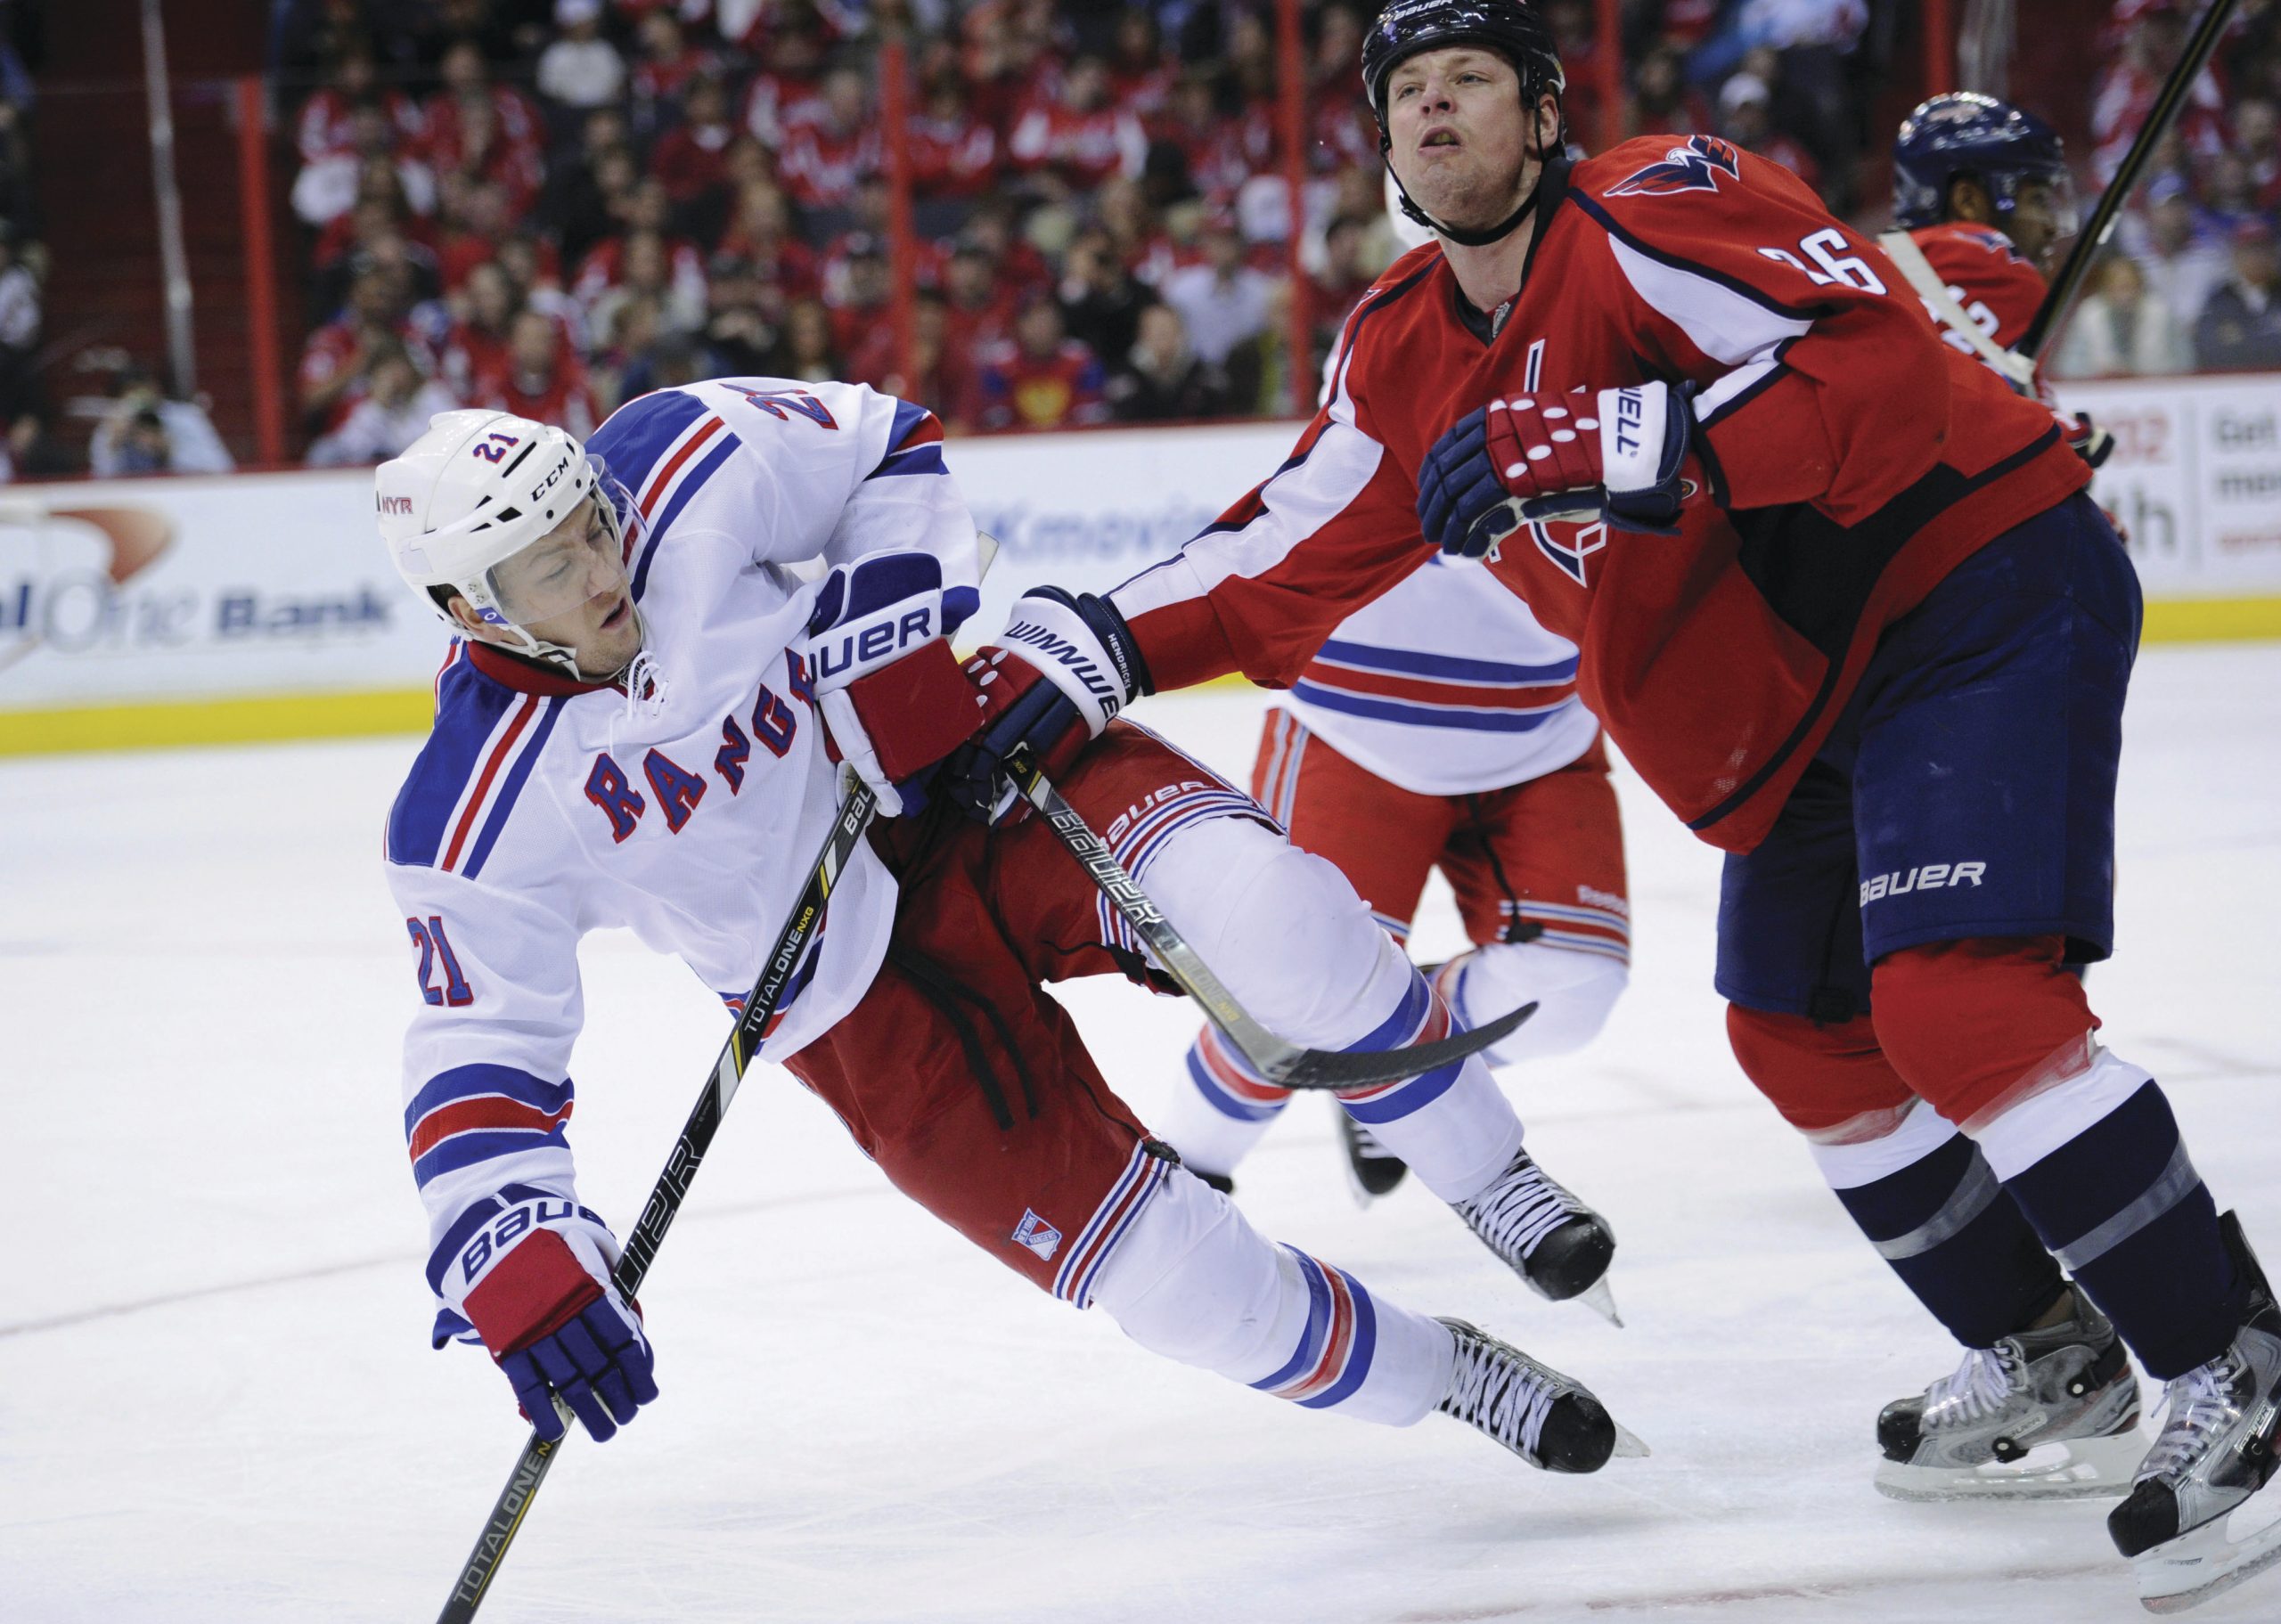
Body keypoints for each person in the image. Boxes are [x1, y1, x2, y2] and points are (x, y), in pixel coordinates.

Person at [944, 3, 2281, 1611]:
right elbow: (1280, 554)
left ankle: (2232, 1357)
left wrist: (1627, 431)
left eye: (1473, 85)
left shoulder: (1657, 201)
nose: (1438, 114)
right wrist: (1101, 641)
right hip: (1797, 704)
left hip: (1958, 596)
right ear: (1383, 145)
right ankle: (2044, 1346)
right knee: (1801, 1035)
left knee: (1960, 1003)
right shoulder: (1399, 348)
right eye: (1410, 96)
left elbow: (1874, 377)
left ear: (1546, 115)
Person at [373, 383, 1639, 1490]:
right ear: (469, 604)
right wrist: (511, 1240)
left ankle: (1491, 1174)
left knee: (1286, 922)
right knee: (1178, 1286)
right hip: (848, 1000)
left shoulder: (680, 453)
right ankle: (1452, 1373)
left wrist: (883, 614)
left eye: (590, 521)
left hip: (964, 779)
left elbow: (884, 446)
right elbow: (480, 1052)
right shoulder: (473, 808)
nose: (602, 566)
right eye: (551, 567)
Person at [1883, 93, 2113, 464]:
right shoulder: (1983, 260)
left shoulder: (1874, 261)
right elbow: (2025, 441)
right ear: (1969, 200)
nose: (2052, 226)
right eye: (2037, 201)